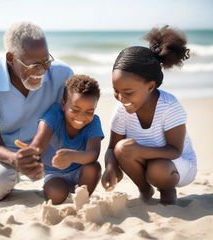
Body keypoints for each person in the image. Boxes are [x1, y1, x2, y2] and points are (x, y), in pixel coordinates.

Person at [0, 22, 73, 202]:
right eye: (34, 64)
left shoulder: (63, 74)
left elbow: (66, 122)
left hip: (45, 143)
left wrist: (40, 148)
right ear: (11, 57)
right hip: (1, 148)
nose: (42, 70)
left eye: (46, 61)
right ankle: (10, 172)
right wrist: (14, 159)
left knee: (78, 178)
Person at [101, 26, 197, 205]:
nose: (121, 98)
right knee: (121, 148)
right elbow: (112, 148)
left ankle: (167, 190)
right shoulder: (122, 109)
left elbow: (175, 150)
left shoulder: (169, 107)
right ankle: (145, 189)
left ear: (150, 86)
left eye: (128, 92)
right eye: (116, 91)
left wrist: (140, 150)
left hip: (177, 164)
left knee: (157, 168)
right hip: (144, 160)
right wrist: (111, 167)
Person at [29, 74, 104, 204]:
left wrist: (72, 156)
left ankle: (82, 198)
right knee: (57, 196)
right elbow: (40, 140)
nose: (81, 116)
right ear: (64, 104)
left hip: (80, 172)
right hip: (55, 174)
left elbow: (93, 154)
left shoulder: (94, 122)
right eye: (75, 109)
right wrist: (32, 151)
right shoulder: (54, 114)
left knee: (93, 167)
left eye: (89, 112)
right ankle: (56, 192)